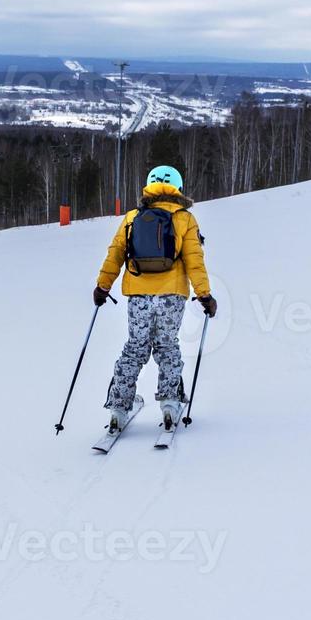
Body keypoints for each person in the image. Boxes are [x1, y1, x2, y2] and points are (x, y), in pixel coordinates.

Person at [93, 165, 217, 432]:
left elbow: (115, 254)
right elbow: (195, 261)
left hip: (138, 294)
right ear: (178, 188)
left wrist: (102, 287)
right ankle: (170, 403)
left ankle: (118, 409)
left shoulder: (132, 217)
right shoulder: (185, 218)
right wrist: (204, 295)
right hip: (172, 295)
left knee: (135, 347)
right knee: (167, 346)